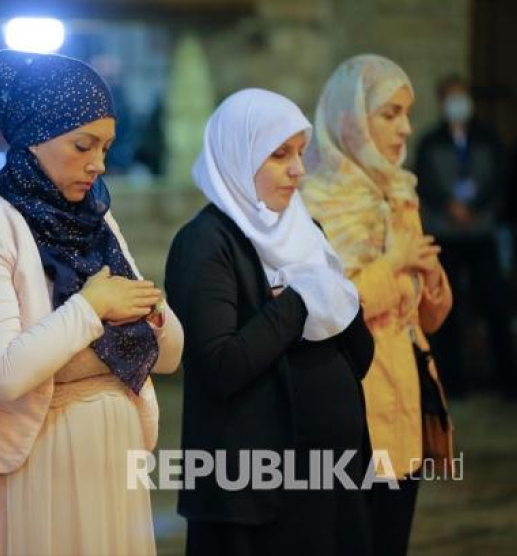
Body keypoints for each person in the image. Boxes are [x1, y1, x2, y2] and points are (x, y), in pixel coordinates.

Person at [0, 50, 184, 555]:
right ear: (34, 139)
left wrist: (144, 310)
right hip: (36, 458)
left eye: (106, 147)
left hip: (112, 450)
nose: (98, 164)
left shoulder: (98, 225)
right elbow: (5, 371)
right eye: (82, 145)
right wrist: (93, 307)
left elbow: (174, 351)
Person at [166, 88, 375, 555]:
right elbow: (220, 366)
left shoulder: (307, 231)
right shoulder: (204, 243)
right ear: (238, 156)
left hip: (331, 478)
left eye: (300, 153)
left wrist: (335, 298)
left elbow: (356, 350)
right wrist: (300, 302)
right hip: (254, 490)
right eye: (280, 155)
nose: (298, 169)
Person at [301, 54, 454, 556]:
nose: (405, 128)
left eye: (407, 113)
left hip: (405, 393)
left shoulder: (398, 192)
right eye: (389, 114)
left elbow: (427, 316)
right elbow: (325, 310)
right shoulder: (316, 200)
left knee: (393, 534)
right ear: (349, 119)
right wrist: (394, 265)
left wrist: (429, 278)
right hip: (350, 399)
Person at [414, 74, 517, 397]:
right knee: (448, 309)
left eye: (462, 96)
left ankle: (508, 382)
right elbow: (425, 183)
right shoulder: (431, 141)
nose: (458, 104)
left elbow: (502, 179)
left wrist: (476, 207)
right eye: (451, 97)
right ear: (442, 102)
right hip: (446, 234)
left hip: (482, 233)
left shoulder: (488, 138)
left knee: (496, 304)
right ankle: (452, 382)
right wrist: (450, 206)